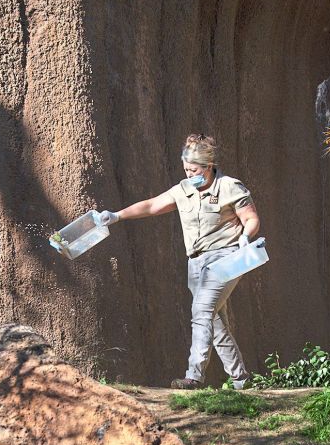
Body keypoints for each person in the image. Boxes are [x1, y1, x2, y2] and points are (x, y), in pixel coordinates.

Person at [98, 133, 261, 390]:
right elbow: (152, 205)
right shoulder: (183, 190)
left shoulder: (230, 186)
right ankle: (241, 380)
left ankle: (194, 376)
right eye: (186, 169)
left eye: (194, 169)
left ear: (208, 167)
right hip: (195, 263)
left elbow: (251, 218)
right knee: (215, 320)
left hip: (225, 258)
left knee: (202, 312)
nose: (189, 174)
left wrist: (246, 238)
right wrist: (117, 216)